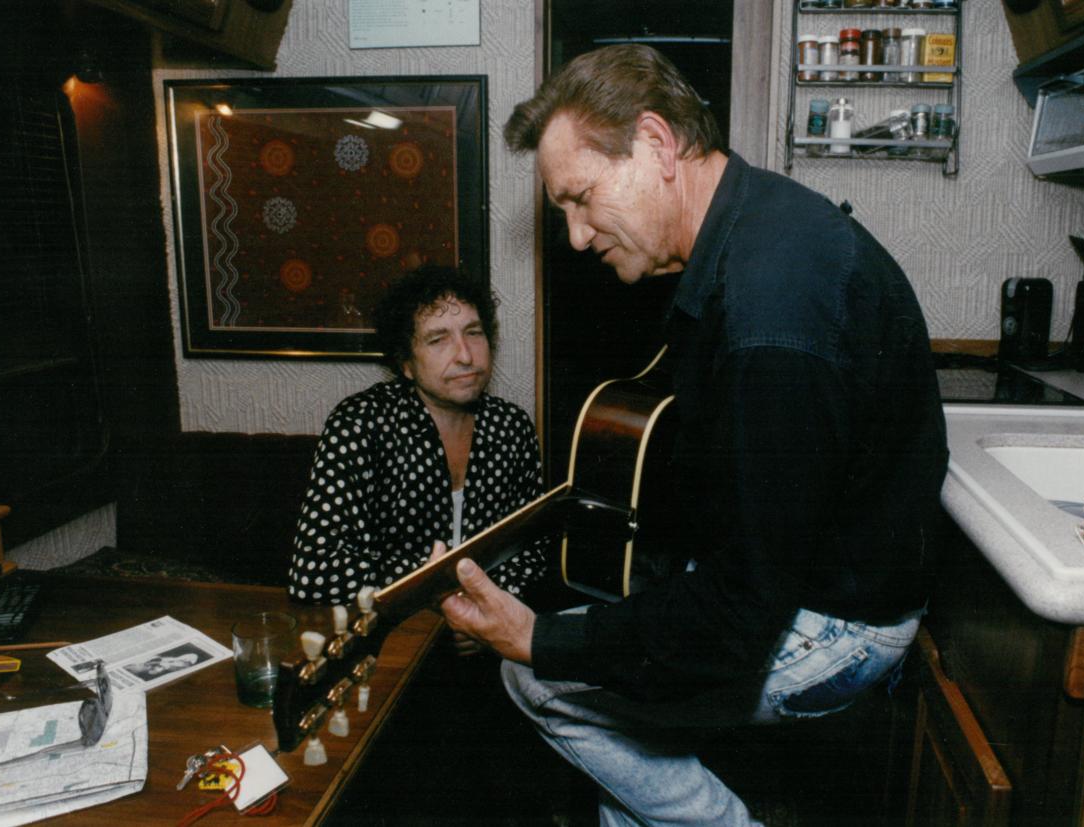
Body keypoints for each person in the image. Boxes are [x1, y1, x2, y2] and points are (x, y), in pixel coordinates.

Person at [429, 44, 949, 825]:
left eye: (581, 198)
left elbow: (741, 612)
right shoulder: (747, 229)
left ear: (657, 144)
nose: (573, 236)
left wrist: (540, 637)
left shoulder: (772, 311)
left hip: (839, 633)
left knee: (535, 678)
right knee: (614, 748)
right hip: (794, 586)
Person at [288, 263, 549, 616]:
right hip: (397, 635)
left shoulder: (511, 427)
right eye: (438, 339)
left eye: (474, 332)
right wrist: (443, 599)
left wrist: (489, 611)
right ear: (406, 363)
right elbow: (313, 571)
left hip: (495, 636)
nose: (466, 355)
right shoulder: (362, 424)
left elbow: (532, 553)